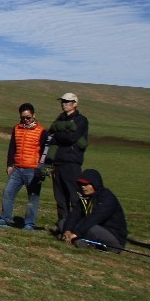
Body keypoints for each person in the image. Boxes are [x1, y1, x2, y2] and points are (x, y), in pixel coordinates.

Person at [0, 103, 46, 230]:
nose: (25, 120)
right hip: (17, 168)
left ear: (34, 115)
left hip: (33, 169)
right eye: (23, 118)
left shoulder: (42, 131)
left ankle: (29, 224)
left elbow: (45, 151)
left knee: (33, 198)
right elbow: (12, 148)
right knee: (8, 193)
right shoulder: (17, 129)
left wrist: (42, 168)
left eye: (28, 117)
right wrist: (9, 165)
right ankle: (5, 218)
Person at [47, 91, 89, 236]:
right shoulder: (60, 118)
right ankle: (63, 228)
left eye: (67, 101)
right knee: (60, 199)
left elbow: (72, 138)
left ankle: (77, 229)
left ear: (75, 104)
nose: (64, 104)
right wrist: (61, 133)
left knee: (75, 198)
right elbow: (50, 135)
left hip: (72, 163)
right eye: (63, 101)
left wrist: (58, 134)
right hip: (58, 163)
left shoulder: (81, 120)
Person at [61, 169, 127, 251]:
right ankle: (78, 240)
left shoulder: (107, 198)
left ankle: (79, 240)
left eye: (86, 184)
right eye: (81, 184)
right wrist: (67, 230)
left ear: (95, 184)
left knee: (91, 228)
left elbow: (94, 219)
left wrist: (75, 233)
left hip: (113, 235)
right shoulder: (84, 197)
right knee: (63, 222)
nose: (83, 187)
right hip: (92, 228)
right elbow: (75, 214)